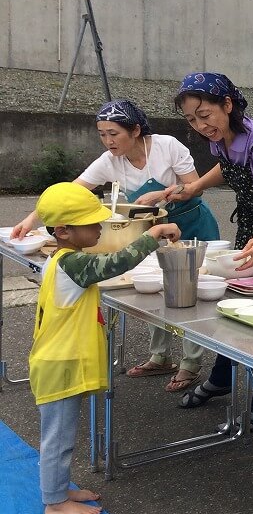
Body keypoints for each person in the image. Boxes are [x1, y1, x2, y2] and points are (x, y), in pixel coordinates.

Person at [11, 99, 219, 393]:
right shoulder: (110, 161)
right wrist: (31, 220)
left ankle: (191, 363)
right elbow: (71, 192)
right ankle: (160, 356)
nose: (108, 141)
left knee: (188, 293)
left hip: (191, 223)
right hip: (152, 230)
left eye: (114, 133)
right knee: (152, 286)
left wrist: (161, 193)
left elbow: (193, 185)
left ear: (135, 130)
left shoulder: (166, 146)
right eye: (102, 134)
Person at [154, 73, 253, 430]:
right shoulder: (224, 138)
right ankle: (222, 378)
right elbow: (228, 165)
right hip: (252, 229)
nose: (200, 125)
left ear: (227, 105)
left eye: (204, 114)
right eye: (191, 119)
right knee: (233, 306)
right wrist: (191, 188)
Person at [29, 182, 180, 514]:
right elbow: (115, 263)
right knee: (58, 435)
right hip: (59, 363)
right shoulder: (72, 265)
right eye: (92, 224)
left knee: (62, 431)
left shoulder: (64, 258)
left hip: (60, 360)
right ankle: (54, 502)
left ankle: (59, 487)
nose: (99, 228)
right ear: (64, 231)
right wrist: (153, 233)